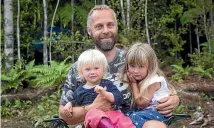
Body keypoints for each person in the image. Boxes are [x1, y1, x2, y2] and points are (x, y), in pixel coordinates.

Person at [59, 5, 180, 128]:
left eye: (110, 25)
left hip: (133, 122)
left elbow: (159, 85)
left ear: (116, 27)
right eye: (99, 26)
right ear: (89, 31)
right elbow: (64, 116)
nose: (106, 30)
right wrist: (91, 108)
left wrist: (174, 100)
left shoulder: (133, 59)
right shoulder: (79, 67)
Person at [62, 49, 134, 128]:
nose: (92, 72)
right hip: (92, 120)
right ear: (81, 72)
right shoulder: (79, 90)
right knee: (94, 113)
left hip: (110, 114)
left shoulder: (107, 84)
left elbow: (119, 98)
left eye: (96, 68)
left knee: (122, 119)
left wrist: (105, 94)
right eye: (88, 69)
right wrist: (69, 105)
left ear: (103, 70)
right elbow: (74, 102)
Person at [121, 42, 176, 128]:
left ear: (150, 66)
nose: (136, 71)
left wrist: (134, 83)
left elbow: (141, 103)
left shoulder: (153, 81)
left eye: (141, 66)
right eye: (132, 66)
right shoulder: (142, 78)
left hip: (157, 113)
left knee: (131, 118)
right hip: (148, 113)